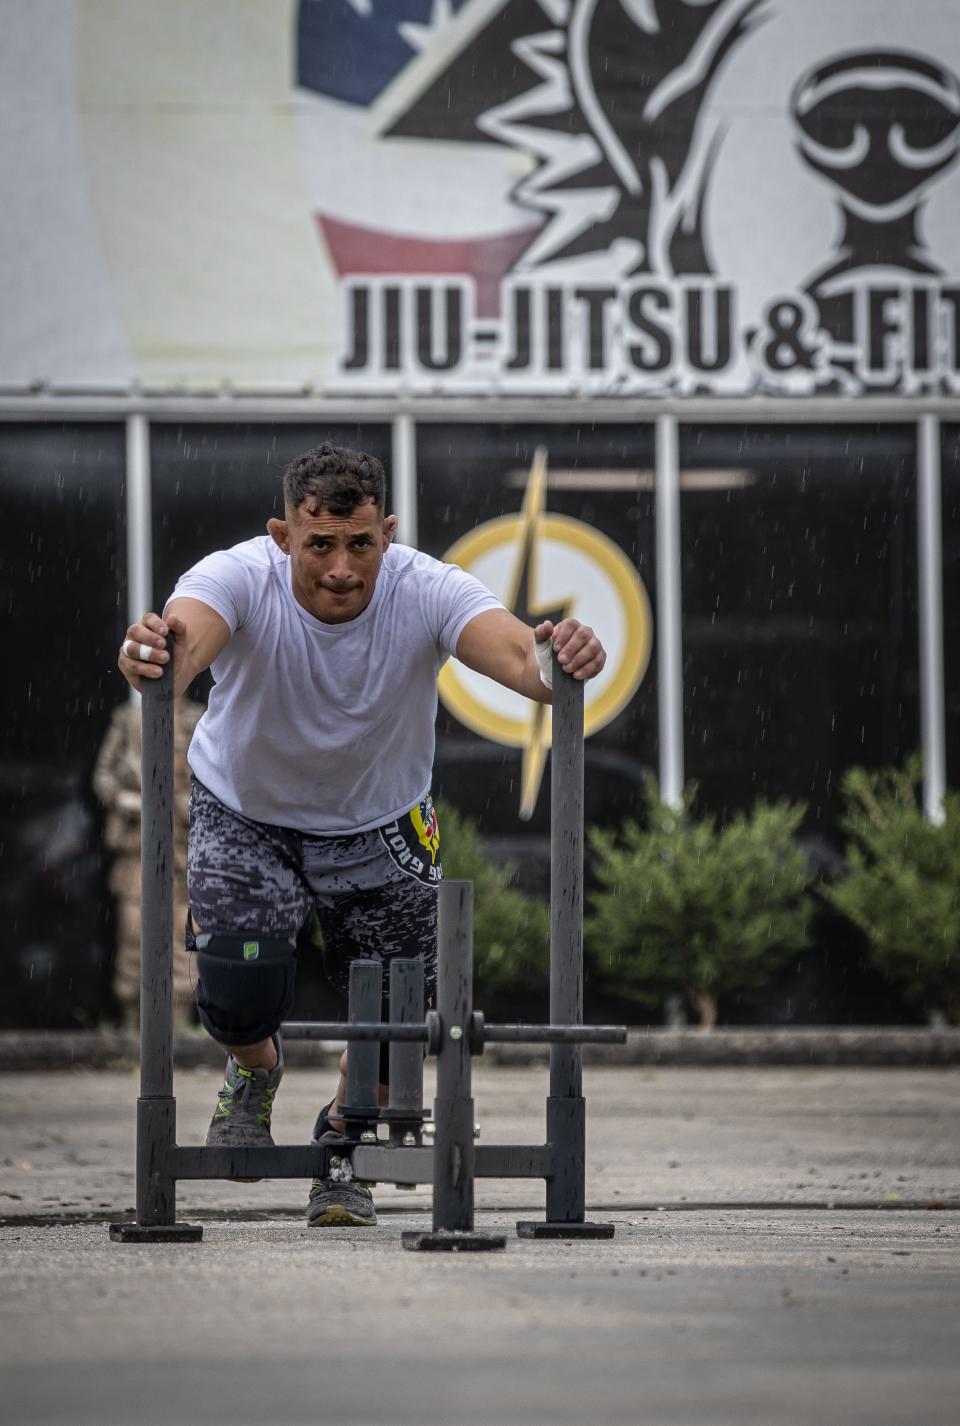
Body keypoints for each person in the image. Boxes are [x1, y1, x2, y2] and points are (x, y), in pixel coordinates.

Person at [117, 442, 606, 1228]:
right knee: (238, 995)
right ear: (284, 538)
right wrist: (155, 656)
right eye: (320, 546)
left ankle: (343, 1150)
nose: (342, 568)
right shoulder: (238, 574)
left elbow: (522, 655)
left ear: (388, 532)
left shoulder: (426, 587)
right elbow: (185, 641)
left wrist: (559, 659)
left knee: (396, 1021)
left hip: (381, 823)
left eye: (361, 544)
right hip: (247, 814)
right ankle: (255, 1073)